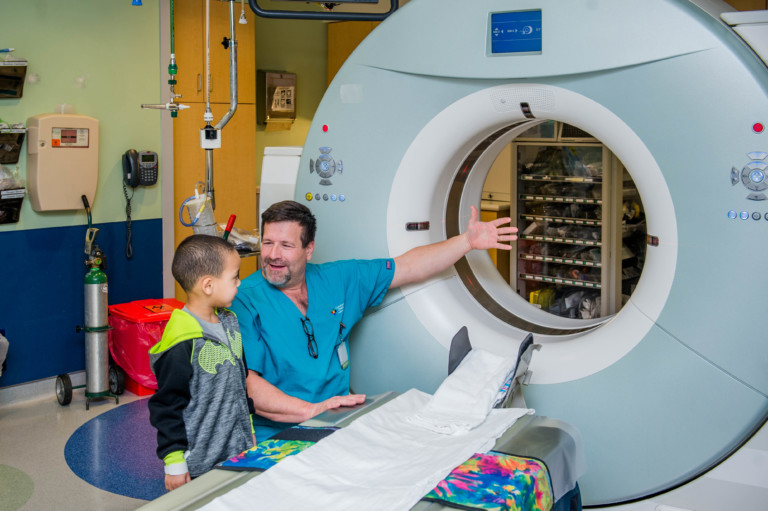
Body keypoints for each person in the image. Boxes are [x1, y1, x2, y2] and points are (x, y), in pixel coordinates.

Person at [230, 200, 517, 440]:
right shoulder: (245, 299)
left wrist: (466, 241)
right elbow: (248, 385)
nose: (272, 255)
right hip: (277, 433)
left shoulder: (339, 279)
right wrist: (311, 411)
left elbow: (408, 266)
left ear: (309, 249)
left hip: (337, 422)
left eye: (285, 245)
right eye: (267, 243)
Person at [148, 234, 253, 491]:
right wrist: (174, 462)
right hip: (200, 461)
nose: (239, 283)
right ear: (208, 285)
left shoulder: (231, 323)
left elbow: (240, 381)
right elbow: (167, 405)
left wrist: (248, 430)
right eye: (234, 277)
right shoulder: (182, 341)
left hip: (238, 448)